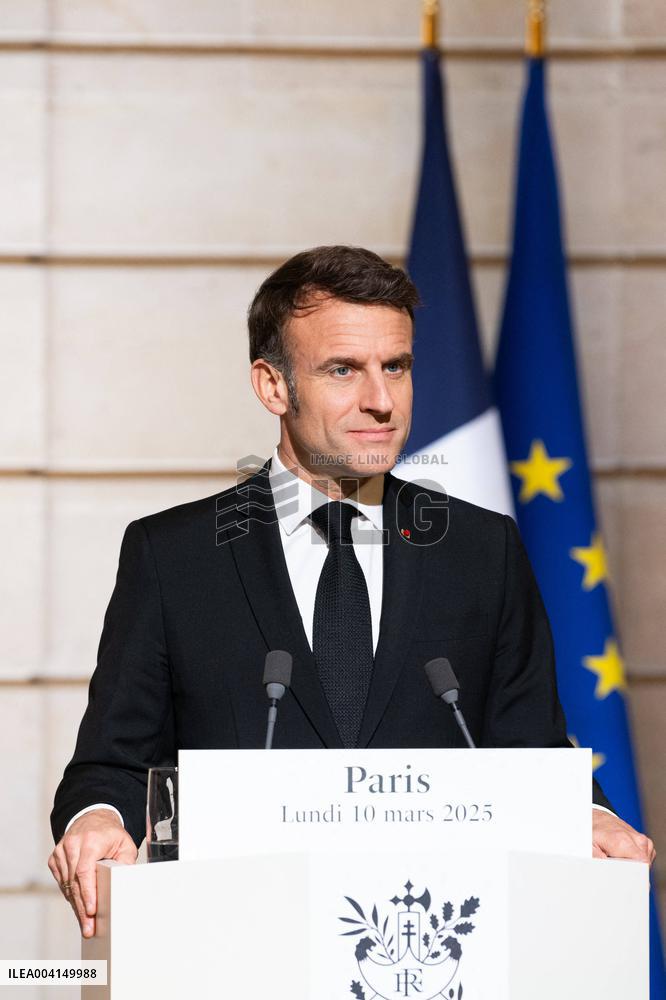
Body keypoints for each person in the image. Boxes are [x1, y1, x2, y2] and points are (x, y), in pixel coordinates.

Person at [48, 245, 655, 937]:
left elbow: (533, 753)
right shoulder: (174, 555)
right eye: (343, 370)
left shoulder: (482, 552)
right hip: (239, 943)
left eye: (395, 366)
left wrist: (592, 817)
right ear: (273, 386)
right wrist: (97, 820)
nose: (381, 399)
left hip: (432, 945)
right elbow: (111, 764)